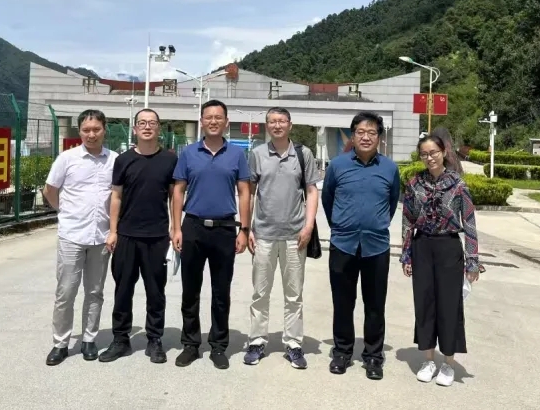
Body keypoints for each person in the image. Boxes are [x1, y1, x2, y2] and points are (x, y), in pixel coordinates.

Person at [171, 99, 251, 370]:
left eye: (218, 117)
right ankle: (190, 344)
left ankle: (218, 345)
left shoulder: (237, 154)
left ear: (226, 122)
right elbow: (178, 191)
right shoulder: (188, 153)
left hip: (225, 229)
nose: (213, 121)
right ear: (202, 121)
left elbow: (244, 192)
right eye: (209, 117)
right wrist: (176, 227)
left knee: (221, 291)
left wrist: (244, 229)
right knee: (190, 290)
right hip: (193, 227)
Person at [320, 111, 401, 381]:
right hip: (343, 244)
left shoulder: (390, 168)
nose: (366, 137)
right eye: (361, 132)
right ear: (352, 136)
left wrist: (374, 224)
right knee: (343, 302)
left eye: (372, 133)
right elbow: (328, 200)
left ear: (379, 138)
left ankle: (373, 356)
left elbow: (391, 203)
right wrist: (340, 226)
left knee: (375, 304)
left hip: (376, 246)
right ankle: (342, 352)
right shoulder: (337, 166)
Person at [400, 133, 482, 387]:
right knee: (424, 304)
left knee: (449, 306)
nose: (429, 158)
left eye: (433, 152)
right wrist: (406, 254)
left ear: (444, 152)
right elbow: (408, 220)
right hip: (422, 246)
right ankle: (428, 360)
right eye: (424, 154)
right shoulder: (414, 183)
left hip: (449, 248)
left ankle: (448, 363)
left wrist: (472, 261)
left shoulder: (458, 184)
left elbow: (469, 222)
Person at [99, 108, 178, 365]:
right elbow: (116, 197)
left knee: (156, 291)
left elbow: (174, 197)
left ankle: (154, 339)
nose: (147, 127)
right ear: (134, 129)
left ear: (158, 128)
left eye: (152, 123)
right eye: (142, 123)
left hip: (157, 236)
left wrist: (175, 228)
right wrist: (113, 231)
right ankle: (120, 339)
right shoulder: (123, 160)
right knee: (123, 290)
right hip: (126, 236)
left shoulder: (170, 160)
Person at [242, 107, 319, 369]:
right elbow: (250, 192)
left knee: (294, 295)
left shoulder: (303, 154)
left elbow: (312, 191)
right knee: (260, 293)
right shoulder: (257, 154)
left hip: (295, 236)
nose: (277, 125)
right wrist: (248, 228)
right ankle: (256, 341)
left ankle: (293, 344)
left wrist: (308, 226)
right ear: (267, 125)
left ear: (290, 125)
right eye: (272, 121)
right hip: (263, 235)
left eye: (281, 121)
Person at [42, 109, 118, 366]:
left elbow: (118, 195)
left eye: (96, 129)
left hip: (101, 237)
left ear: (104, 130)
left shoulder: (114, 160)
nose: (91, 134)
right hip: (72, 235)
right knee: (66, 291)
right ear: (80, 131)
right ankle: (60, 343)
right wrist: (63, 212)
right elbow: (50, 190)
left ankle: (89, 339)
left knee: (95, 292)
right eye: (86, 130)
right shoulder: (67, 158)